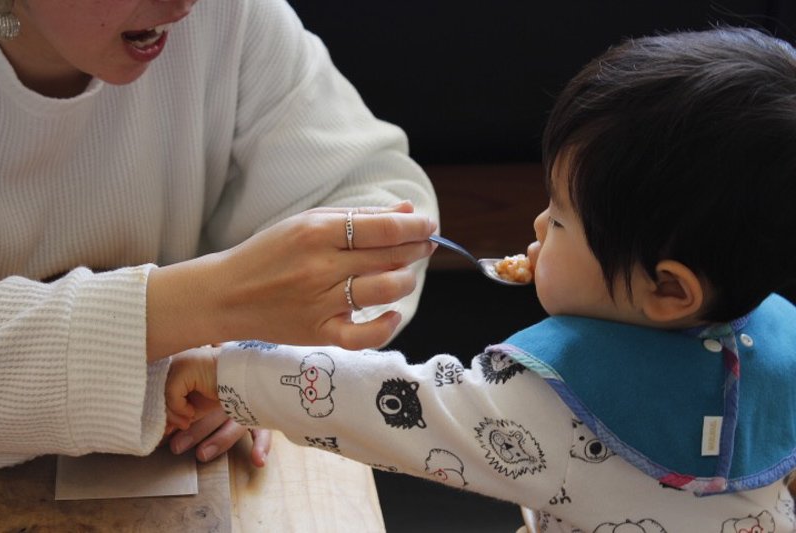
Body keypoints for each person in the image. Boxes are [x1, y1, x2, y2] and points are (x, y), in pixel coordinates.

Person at [166, 26, 796, 531]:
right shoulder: (781, 334)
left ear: (669, 290)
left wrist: (227, 372)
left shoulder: (557, 403)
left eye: (563, 219)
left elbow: (395, 406)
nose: (538, 222)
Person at [0, 0, 439, 469]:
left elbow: (372, 190)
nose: (185, 5)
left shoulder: (228, 12)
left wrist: (254, 364)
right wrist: (203, 304)